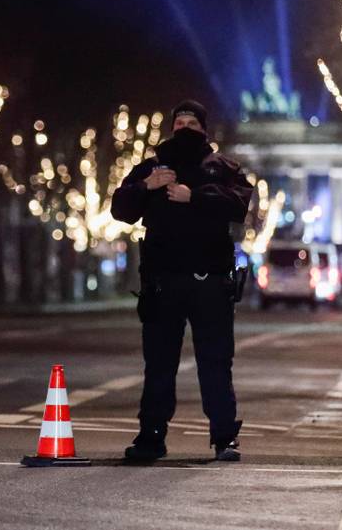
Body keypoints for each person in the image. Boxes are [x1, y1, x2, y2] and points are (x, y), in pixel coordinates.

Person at [111, 100, 254, 462]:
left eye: (191, 122)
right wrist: (146, 185)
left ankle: (224, 437)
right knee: (158, 363)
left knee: (216, 362)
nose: (184, 128)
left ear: (204, 129)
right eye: (179, 122)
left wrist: (196, 196)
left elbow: (240, 206)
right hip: (163, 282)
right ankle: (151, 437)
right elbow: (120, 209)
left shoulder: (223, 168)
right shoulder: (152, 168)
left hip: (210, 282)